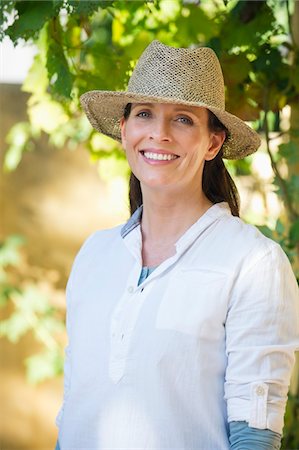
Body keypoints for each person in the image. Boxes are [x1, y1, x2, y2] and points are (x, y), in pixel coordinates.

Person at [55, 40, 299, 450]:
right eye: (145, 114)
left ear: (213, 143)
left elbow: (253, 435)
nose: (159, 134)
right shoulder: (94, 254)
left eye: (183, 119)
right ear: (125, 129)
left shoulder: (253, 263)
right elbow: (74, 413)